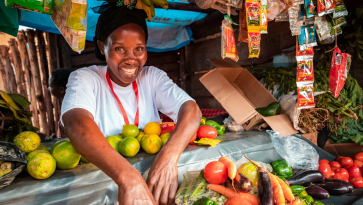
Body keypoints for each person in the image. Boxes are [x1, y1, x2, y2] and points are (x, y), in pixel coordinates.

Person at [61, 3, 201, 205]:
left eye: (139, 49)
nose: (131, 59)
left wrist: (168, 159)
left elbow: (191, 109)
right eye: (119, 49)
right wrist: (129, 178)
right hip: (104, 191)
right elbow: (76, 123)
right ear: (102, 47)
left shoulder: (152, 77)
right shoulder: (85, 78)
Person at [48, 68, 72, 139]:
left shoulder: (71, 107)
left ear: (61, 90)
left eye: (50, 87)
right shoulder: (66, 103)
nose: (48, 89)